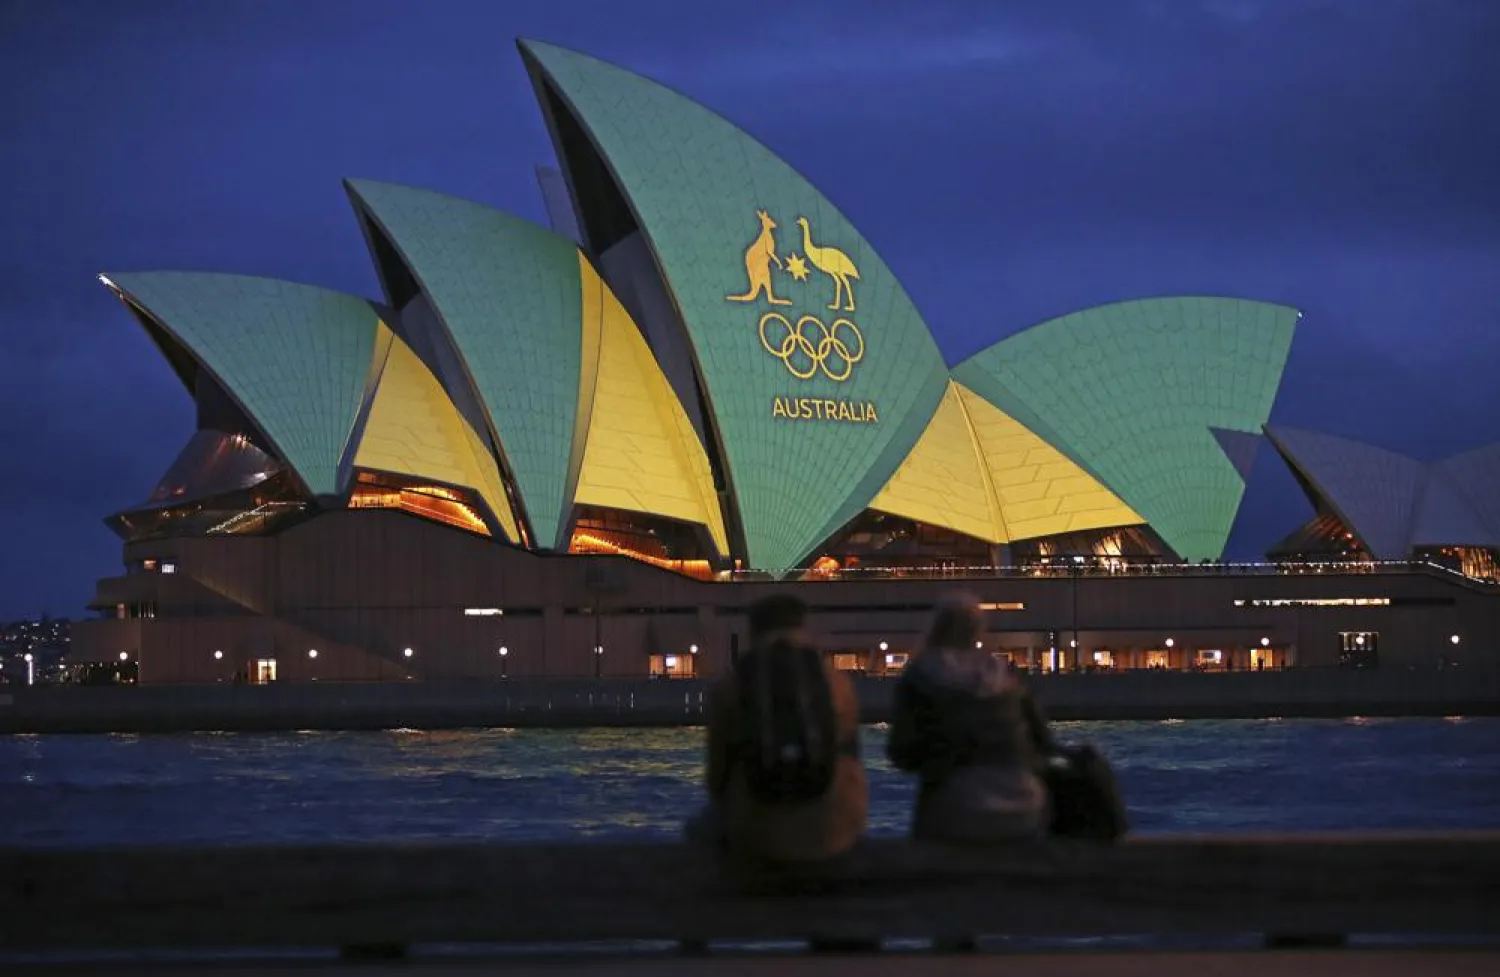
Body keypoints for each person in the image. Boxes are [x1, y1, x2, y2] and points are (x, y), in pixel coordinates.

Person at [687, 593, 867, 866]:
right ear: (802, 626)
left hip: (757, 834)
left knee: (696, 829)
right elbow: (854, 759)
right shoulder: (836, 683)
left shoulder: (731, 684)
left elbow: (716, 777)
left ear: (754, 629)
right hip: (830, 833)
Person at [887, 593, 1051, 844]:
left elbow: (902, 752)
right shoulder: (1003, 676)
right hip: (1024, 809)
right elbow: (1042, 743)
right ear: (978, 631)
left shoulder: (921, 676)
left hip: (956, 812)